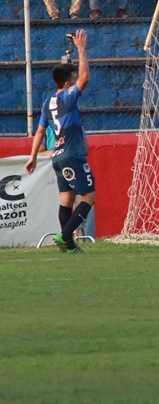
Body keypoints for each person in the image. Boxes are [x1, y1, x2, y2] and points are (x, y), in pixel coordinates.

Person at [25, 30, 94, 254]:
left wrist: (33, 157)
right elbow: (85, 78)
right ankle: (64, 236)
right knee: (88, 197)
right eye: (72, 80)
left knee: (67, 198)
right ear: (66, 83)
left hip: (57, 156)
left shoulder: (47, 103)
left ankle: (69, 247)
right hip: (72, 153)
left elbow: (39, 132)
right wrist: (82, 49)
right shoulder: (68, 96)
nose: (76, 82)